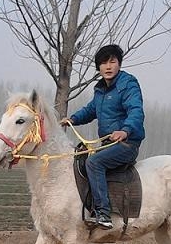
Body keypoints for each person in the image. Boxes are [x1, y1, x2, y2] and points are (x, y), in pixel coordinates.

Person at [61, 44, 145, 229]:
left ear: (119, 64)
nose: (108, 66)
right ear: (98, 67)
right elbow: (91, 110)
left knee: (94, 163)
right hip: (108, 144)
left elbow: (136, 111)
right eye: (103, 63)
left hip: (127, 143)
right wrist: (73, 119)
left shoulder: (128, 84)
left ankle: (103, 214)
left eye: (112, 61)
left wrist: (125, 131)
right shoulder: (100, 89)